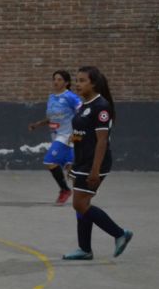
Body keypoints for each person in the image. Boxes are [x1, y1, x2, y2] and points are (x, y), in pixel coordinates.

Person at [62, 66, 133, 261]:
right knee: (82, 205)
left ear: (93, 83)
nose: (78, 84)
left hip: (95, 162)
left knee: (79, 203)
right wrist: (73, 162)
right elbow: (78, 136)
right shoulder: (84, 105)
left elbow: (102, 140)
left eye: (82, 80)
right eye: (77, 80)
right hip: (81, 161)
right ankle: (84, 249)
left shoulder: (101, 106)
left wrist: (95, 170)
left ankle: (119, 233)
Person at [28, 70, 82, 205]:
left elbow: (84, 112)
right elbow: (51, 117)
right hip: (56, 135)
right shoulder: (51, 97)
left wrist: (79, 132)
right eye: (54, 79)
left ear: (67, 82)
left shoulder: (71, 97)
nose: (56, 82)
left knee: (49, 161)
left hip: (68, 136)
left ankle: (65, 190)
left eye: (59, 79)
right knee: (70, 167)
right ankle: (84, 191)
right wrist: (37, 124)